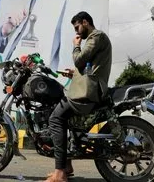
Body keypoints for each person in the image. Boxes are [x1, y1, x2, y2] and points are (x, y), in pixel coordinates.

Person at [45, 11, 121, 182]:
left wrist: (76, 45)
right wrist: (74, 74)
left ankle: (60, 173)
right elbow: (88, 67)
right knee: (65, 119)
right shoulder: (95, 39)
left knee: (55, 119)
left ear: (85, 22)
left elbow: (79, 60)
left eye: (77, 27)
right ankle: (67, 166)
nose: (77, 32)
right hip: (88, 88)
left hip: (90, 92)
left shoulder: (97, 36)